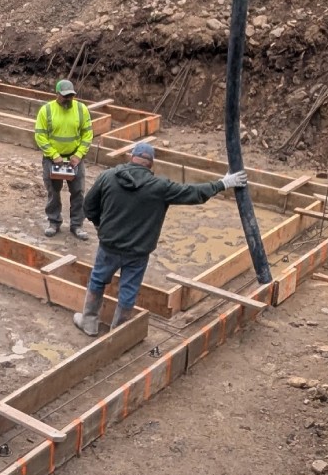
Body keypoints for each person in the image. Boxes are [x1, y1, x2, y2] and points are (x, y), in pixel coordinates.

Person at [75, 142, 247, 335]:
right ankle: (119, 332)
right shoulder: (159, 187)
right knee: (129, 290)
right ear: (151, 164)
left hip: (109, 246)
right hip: (138, 252)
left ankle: (89, 321)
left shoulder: (108, 177)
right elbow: (193, 193)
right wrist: (223, 183)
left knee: (98, 279)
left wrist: (102, 227)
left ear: (132, 157)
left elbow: (88, 206)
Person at [34, 79, 94, 239]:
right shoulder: (46, 111)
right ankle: (54, 222)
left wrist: (79, 155)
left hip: (75, 159)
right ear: (57, 94)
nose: (68, 99)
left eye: (71, 96)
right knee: (53, 192)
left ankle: (77, 225)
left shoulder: (81, 110)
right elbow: (40, 136)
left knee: (78, 192)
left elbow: (88, 135)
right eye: (64, 96)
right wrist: (54, 155)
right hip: (52, 160)